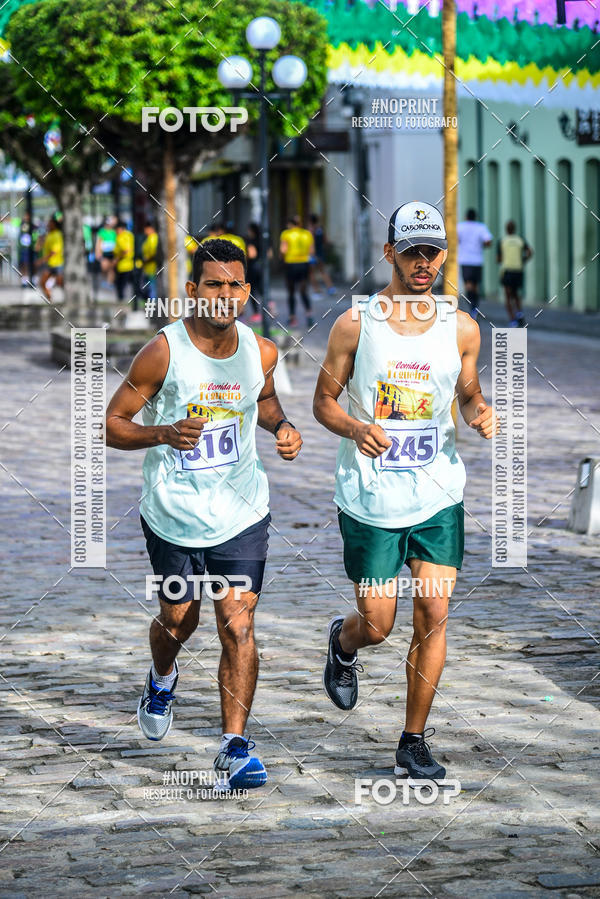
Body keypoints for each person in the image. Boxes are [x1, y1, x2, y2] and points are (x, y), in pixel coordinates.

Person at [106, 238, 303, 789]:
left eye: (235, 285)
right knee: (179, 619)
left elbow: (262, 400)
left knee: (237, 623)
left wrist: (281, 427)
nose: (225, 295)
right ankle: (161, 675)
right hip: (172, 513)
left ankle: (234, 745)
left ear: (247, 291)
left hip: (241, 511)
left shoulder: (260, 351)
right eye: (214, 284)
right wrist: (162, 433)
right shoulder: (163, 352)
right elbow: (112, 423)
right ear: (192, 291)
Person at [313, 200, 498, 782]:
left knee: (433, 615)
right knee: (378, 622)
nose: (423, 262)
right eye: (411, 250)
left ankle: (412, 740)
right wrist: (355, 427)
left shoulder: (461, 327)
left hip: (438, 493)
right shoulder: (356, 323)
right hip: (370, 498)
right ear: (389, 251)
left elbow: (467, 392)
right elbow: (322, 402)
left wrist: (478, 409)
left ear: (444, 254)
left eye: (432, 251)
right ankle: (344, 644)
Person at [279, 215, 314, 328]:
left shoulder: (286, 234)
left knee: (291, 292)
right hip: (304, 264)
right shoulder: (307, 234)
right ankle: (309, 315)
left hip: (291, 264)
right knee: (303, 291)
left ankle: (292, 318)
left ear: (290, 224)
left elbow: (283, 250)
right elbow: (312, 251)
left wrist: (282, 257)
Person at [457, 208, 492, 319]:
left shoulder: (460, 226)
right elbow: (488, 241)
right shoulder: (480, 227)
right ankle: (475, 307)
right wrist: (481, 245)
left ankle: (473, 307)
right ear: (475, 217)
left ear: (466, 217)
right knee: (475, 286)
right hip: (477, 260)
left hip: (465, 260)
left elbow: (454, 239)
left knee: (468, 286)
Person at [497, 220, 532, 328]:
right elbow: (530, 251)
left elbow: (498, 259)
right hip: (518, 270)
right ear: (514, 229)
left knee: (508, 296)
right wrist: (523, 260)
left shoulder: (502, 241)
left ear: (506, 229)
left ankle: (512, 320)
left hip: (507, 271)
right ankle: (519, 313)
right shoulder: (520, 240)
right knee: (516, 294)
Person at [308, 213, 335, 298]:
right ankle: (331, 288)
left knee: (311, 273)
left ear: (310, 221)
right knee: (323, 271)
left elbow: (310, 243)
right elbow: (325, 241)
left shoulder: (310, 230)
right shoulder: (321, 229)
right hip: (320, 253)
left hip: (313, 254)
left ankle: (317, 291)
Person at [38, 217, 64, 302]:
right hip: (49, 264)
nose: (48, 225)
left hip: (58, 263)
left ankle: (71, 298)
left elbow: (54, 251)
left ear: (54, 225)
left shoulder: (58, 234)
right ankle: (50, 300)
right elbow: (41, 246)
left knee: (61, 283)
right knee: (42, 282)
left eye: (50, 223)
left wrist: (42, 259)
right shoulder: (49, 234)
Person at [114, 219, 135, 301]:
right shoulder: (130, 235)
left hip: (124, 265)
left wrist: (116, 259)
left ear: (120, 228)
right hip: (129, 264)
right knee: (130, 284)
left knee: (121, 284)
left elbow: (125, 250)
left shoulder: (122, 236)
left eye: (117, 229)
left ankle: (121, 299)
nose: (116, 231)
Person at [245, 222, 263, 324]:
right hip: (261, 267)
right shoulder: (262, 240)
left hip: (253, 267)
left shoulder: (251, 240)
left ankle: (256, 314)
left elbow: (252, 254)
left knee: (252, 291)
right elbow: (269, 254)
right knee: (261, 289)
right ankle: (270, 305)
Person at [17, 212, 38, 288]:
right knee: (24, 264)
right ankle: (24, 281)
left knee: (33, 264)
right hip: (24, 248)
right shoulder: (23, 224)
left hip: (32, 247)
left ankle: (34, 280)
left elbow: (36, 234)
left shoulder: (34, 225)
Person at [95, 215, 117, 285]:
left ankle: (109, 282)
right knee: (104, 267)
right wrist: (97, 252)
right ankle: (105, 281)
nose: (108, 225)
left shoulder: (114, 232)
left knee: (112, 268)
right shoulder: (102, 232)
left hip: (113, 252)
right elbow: (98, 243)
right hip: (104, 252)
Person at [141, 220, 160, 300]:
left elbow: (154, 254)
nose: (144, 231)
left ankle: (153, 303)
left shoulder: (153, 238)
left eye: (145, 229)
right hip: (149, 268)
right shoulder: (150, 238)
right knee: (150, 287)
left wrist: (146, 260)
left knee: (152, 288)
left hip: (152, 268)